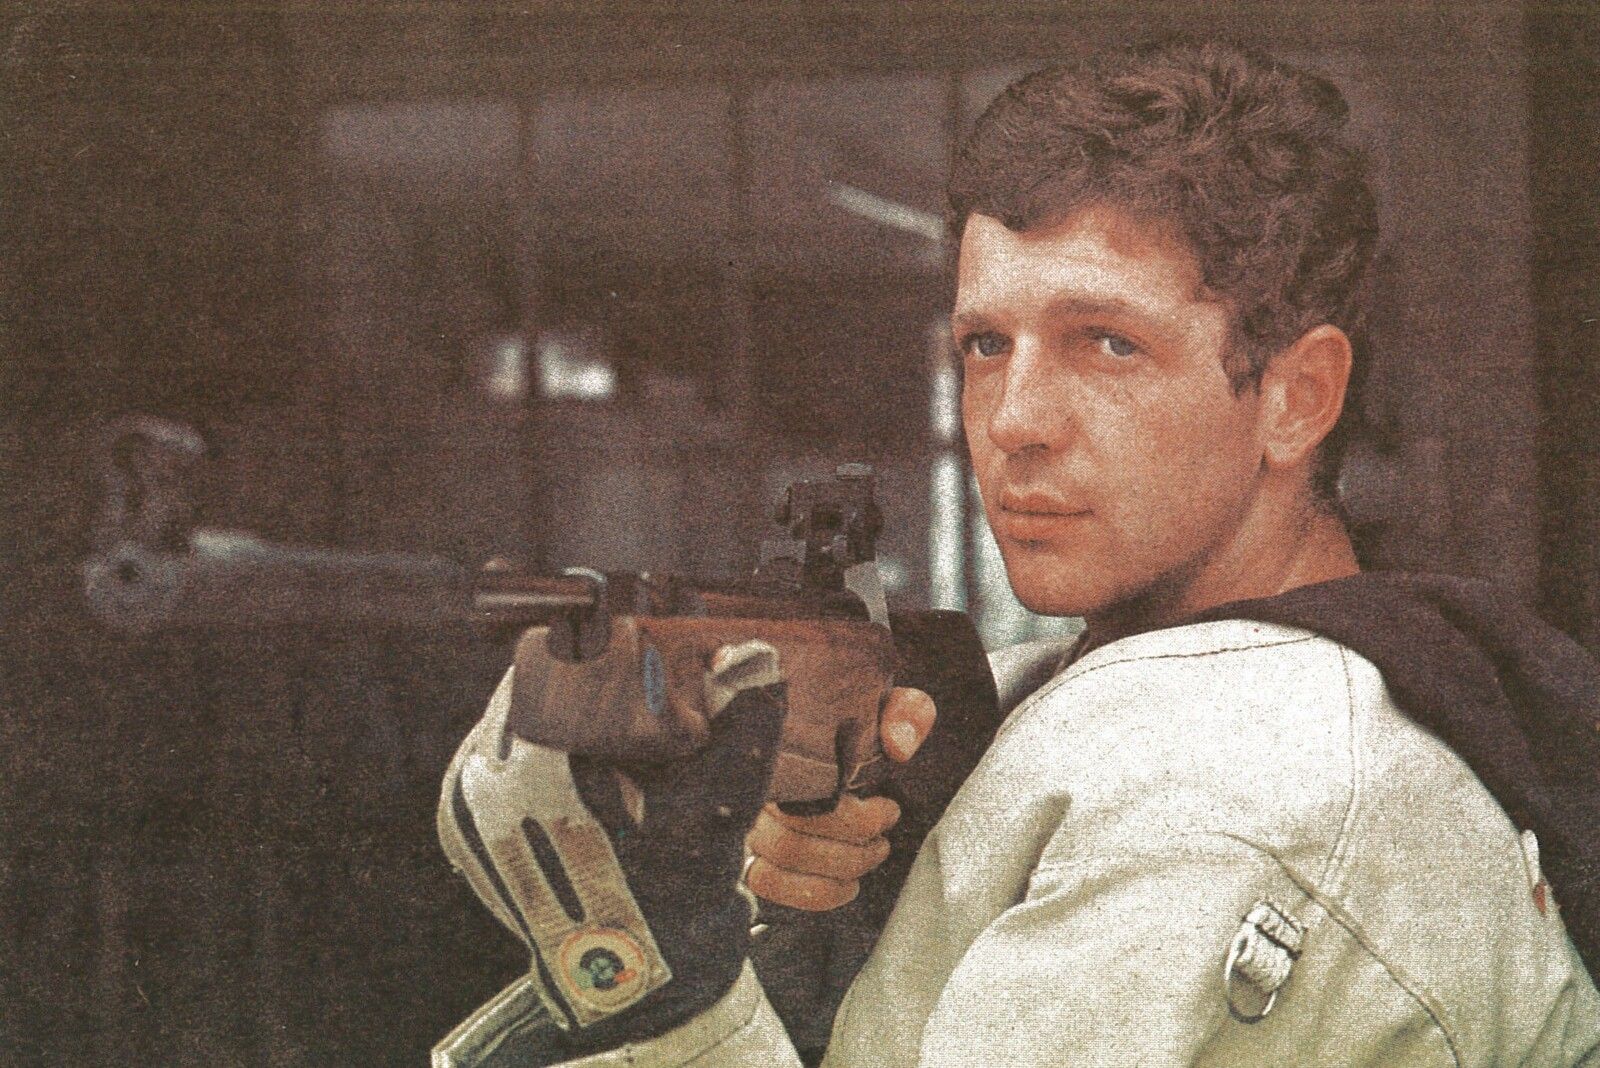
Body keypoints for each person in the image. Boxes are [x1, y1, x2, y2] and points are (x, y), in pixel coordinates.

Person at [435, 40, 1600, 1066]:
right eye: (986, 344)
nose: (1013, 419)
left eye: (1107, 343)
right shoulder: (1261, 698)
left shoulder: (1224, 786)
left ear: (1297, 397)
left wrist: (652, 987)